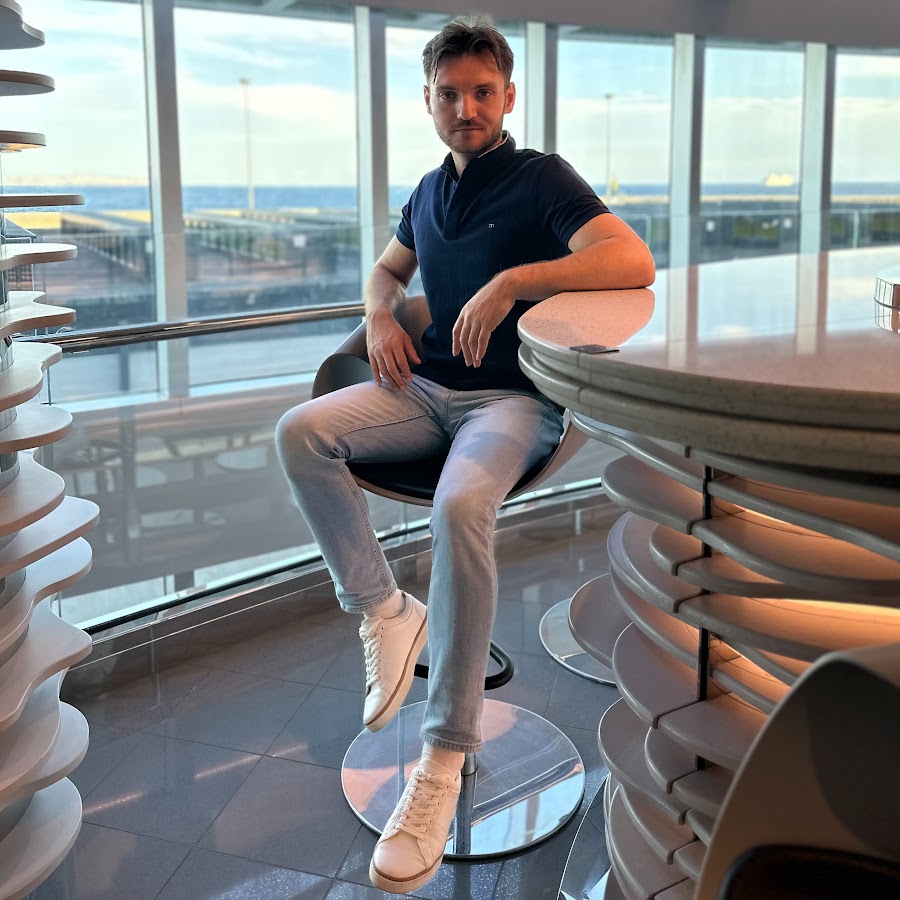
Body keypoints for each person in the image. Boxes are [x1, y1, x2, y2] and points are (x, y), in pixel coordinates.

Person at [276, 16, 654, 894]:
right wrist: (380, 314)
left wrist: (511, 282)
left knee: (459, 504)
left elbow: (630, 258)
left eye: (483, 92)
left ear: (508, 96)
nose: (467, 107)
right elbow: (387, 272)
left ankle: (444, 756)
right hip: (427, 390)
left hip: (514, 401)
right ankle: (384, 610)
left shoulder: (539, 177)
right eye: (450, 94)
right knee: (302, 431)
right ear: (429, 102)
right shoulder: (427, 191)